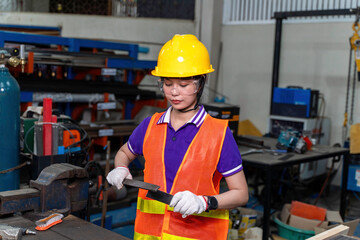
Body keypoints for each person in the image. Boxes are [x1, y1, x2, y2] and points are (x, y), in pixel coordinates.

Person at [106, 34, 248, 240]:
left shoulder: (218, 133)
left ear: (200, 83)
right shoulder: (151, 125)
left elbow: (241, 193)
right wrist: (121, 167)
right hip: (148, 235)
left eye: (183, 85)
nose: (174, 92)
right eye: (168, 83)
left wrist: (205, 202)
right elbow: (124, 153)